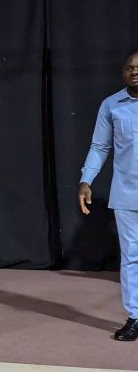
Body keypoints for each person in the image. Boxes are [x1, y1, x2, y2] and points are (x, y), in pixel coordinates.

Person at [78, 51, 138, 342]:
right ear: (123, 72)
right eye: (130, 68)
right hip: (127, 194)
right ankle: (135, 317)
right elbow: (100, 147)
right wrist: (86, 179)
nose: (135, 71)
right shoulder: (111, 105)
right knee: (131, 257)